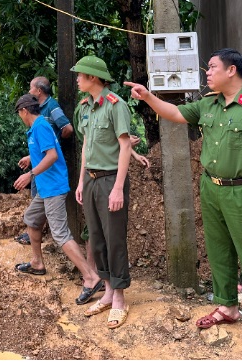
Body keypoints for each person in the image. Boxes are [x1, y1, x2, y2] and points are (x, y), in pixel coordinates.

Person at [125, 49, 242, 357]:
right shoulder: (209, 104)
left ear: (232, 71)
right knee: (219, 251)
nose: (207, 73)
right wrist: (147, 97)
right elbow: (174, 114)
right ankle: (227, 307)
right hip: (212, 187)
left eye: (212, 67)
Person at [71, 55, 151, 329]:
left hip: (109, 181)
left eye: (81, 75)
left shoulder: (116, 106)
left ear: (93, 78)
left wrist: (118, 187)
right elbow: (85, 148)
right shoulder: (85, 107)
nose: (78, 79)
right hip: (92, 181)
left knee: (114, 238)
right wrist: (81, 181)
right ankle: (107, 290)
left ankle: (119, 297)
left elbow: (125, 146)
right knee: (96, 237)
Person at [11, 94, 106, 306]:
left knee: (60, 234)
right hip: (46, 188)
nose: (20, 116)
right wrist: (31, 157)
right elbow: (46, 151)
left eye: (19, 113)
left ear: (24, 111)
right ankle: (37, 263)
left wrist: (31, 174)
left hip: (53, 188)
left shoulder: (41, 126)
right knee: (32, 220)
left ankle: (91, 278)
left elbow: (52, 155)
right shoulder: (38, 127)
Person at [15, 76, 75, 247]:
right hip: (43, 168)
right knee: (35, 207)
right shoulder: (39, 111)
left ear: (39, 91)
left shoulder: (51, 108)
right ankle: (34, 235)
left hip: (50, 172)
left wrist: (54, 146)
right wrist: (34, 156)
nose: (29, 91)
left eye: (31, 88)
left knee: (60, 232)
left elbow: (68, 129)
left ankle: (88, 272)